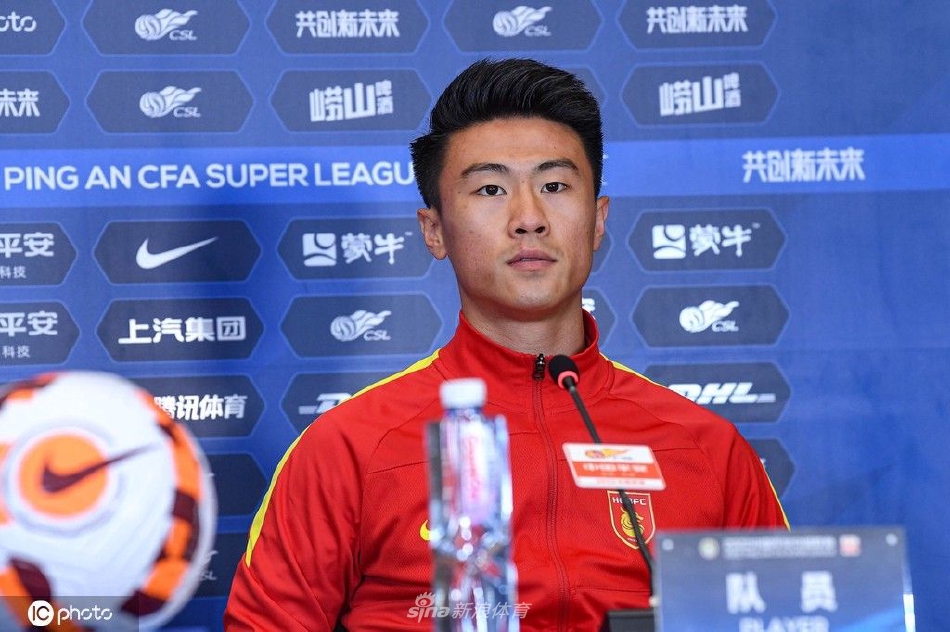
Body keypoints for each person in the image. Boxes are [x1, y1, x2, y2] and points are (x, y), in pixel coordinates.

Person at [224, 57, 788, 631]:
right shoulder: (347, 449)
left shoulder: (709, 450)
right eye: (490, 189)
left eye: (554, 186)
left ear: (598, 220)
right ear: (434, 230)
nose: (528, 218)